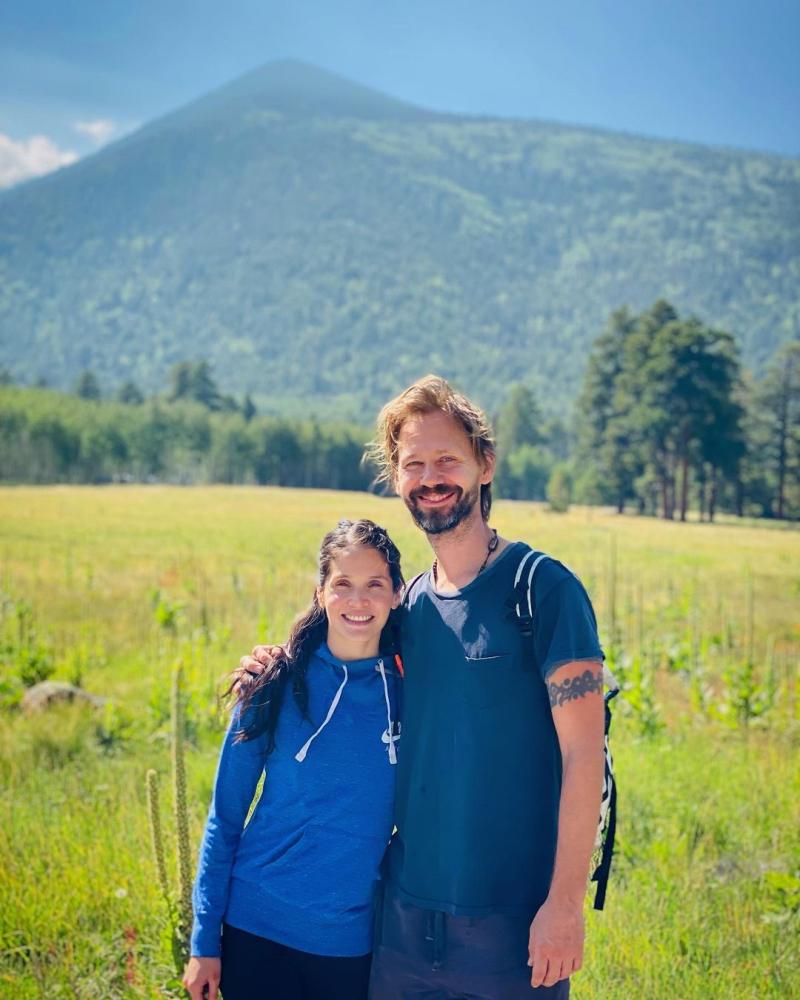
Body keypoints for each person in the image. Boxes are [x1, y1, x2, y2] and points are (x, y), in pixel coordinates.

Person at [239, 375, 605, 998]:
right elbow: (342, 667)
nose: (431, 478)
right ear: (397, 479)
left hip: (513, 925)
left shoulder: (542, 590)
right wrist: (277, 665)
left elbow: (584, 756)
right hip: (403, 927)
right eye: (413, 464)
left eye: (447, 460)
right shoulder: (406, 608)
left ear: (485, 465)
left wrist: (565, 907)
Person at [183, 519, 404, 1000]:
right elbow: (225, 817)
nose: (358, 601)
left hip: (347, 943)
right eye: (342, 584)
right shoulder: (272, 683)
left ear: (397, 594)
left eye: (374, 585)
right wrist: (203, 941)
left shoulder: (411, 695)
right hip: (255, 927)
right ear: (321, 592)